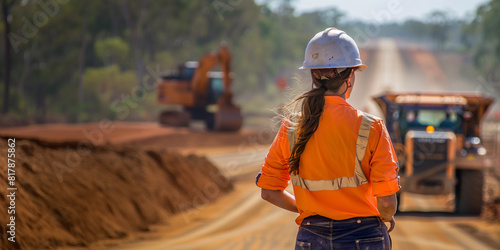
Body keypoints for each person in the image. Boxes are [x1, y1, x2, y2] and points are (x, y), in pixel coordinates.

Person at [256, 28, 400, 249]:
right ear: (350, 75)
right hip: (365, 236)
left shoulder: (291, 127)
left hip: (312, 236)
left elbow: (269, 191)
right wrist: (386, 216)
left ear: (313, 74)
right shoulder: (372, 127)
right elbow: (387, 203)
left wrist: (309, 209)